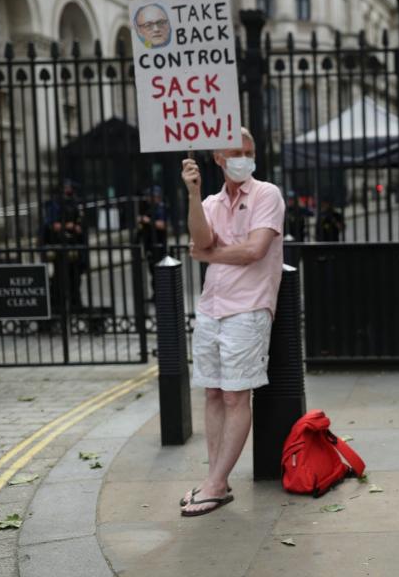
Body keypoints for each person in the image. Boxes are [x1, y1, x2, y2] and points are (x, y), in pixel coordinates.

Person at [179, 127, 285, 517]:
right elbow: (199, 237)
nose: (244, 157)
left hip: (249, 308)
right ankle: (215, 480)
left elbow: (256, 250)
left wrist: (210, 257)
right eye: (235, 152)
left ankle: (217, 483)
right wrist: (192, 194)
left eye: (249, 149)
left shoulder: (266, 194)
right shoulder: (209, 202)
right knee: (211, 393)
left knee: (235, 395)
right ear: (219, 160)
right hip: (211, 307)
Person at [40, 180, 87, 310]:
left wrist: (78, 227)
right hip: (59, 244)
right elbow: (52, 225)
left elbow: (81, 221)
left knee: (75, 277)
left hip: (74, 244)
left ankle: (75, 304)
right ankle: (57, 305)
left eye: (70, 188)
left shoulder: (75, 203)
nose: (69, 190)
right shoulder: (54, 204)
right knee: (60, 277)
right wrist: (68, 225)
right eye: (67, 187)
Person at [135, 185, 168, 301]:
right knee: (153, 271)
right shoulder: (150, 209)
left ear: (156, 197)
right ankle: (156, 295)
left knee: (159, 272)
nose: (147, 198)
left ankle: (161, 295)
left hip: (158, 245)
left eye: (150, 196)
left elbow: (162, 225)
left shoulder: (161, 208)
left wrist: (147, 221)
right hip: (150, 245)